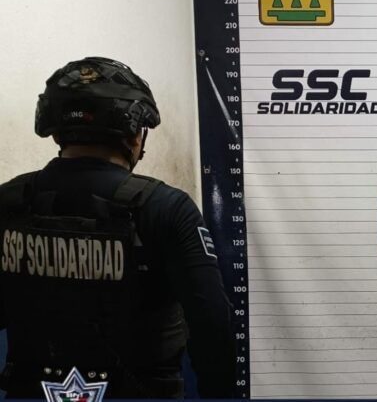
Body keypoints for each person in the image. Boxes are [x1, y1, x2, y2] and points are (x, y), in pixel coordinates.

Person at [0, 57, 235, 398]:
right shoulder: (166, 208)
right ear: (134, 133)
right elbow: (211, 323)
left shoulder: (9, 201)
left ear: (55, 128)